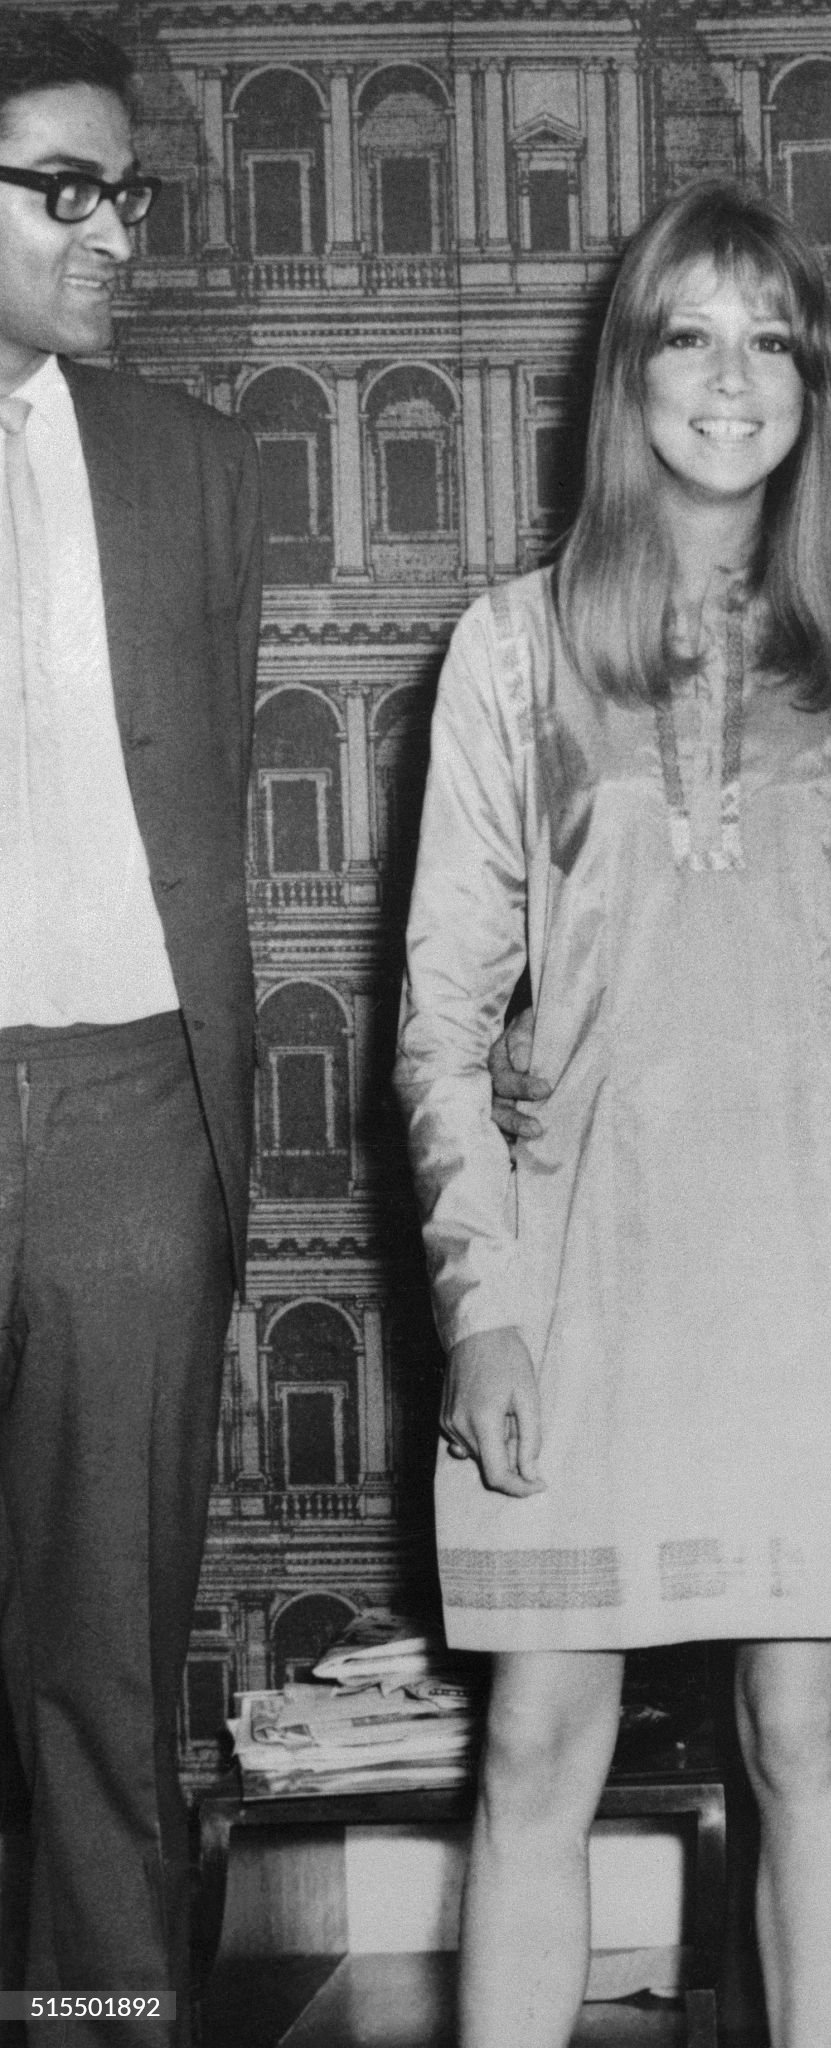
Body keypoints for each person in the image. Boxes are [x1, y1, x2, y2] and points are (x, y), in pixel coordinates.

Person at [395, 179, 831, 2048]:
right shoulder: (507, 649)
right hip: (588, 1273)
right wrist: (483, 1303)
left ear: (816, 384)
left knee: (808, 1730)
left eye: (773, 339)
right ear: (625, 370)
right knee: (541, 1741)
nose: (734, 380)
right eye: (691, 335)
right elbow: (444, 1018)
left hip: (822, 1277)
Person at [0, 19, 261, 2042]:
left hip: (125, 1112)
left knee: (105, 1652)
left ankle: (98, 2024)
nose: (116, 232)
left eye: (126, 191)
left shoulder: (183, 458)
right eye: (59, 190)